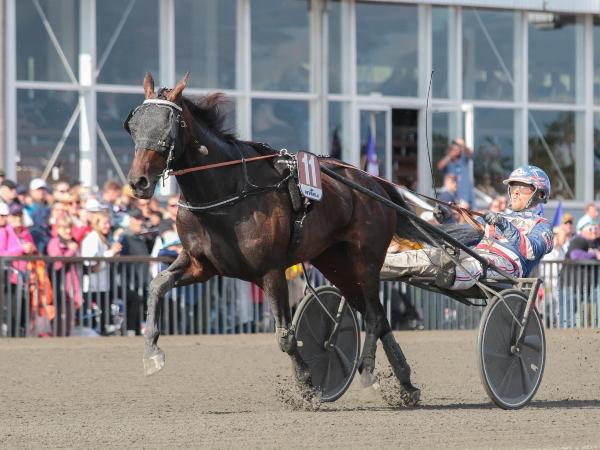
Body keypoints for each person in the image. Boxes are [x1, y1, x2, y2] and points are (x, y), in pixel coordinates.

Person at [382, 165, 554, 291]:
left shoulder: (542, 225)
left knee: (475, 263)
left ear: (539, 193)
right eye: (513, 186)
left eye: (523, 187)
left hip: (506, 267)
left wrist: (503, 224)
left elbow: (530, 251)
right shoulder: (501, 216)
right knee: (423, 256)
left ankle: (451, 274)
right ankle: (372, 267)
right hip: (474, 254)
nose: (515, 192)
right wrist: (447, 218)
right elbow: (466, 236)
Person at [81, 213, 122, 335]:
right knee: (93, 313)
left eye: (108, 223)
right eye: (104, 223)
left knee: (105, 310)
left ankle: (104, 330)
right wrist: (111, 252)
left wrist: (114, 253)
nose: (107, 226)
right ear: (96, 224)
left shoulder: (103, 239)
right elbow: (92, 265)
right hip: (93, 286)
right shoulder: (92, 239)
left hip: (103, 285)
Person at [437, 138, 474, 209]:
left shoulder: (463, 158)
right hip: (454, 197)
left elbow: (471, 155)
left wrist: (463, 145)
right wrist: (450, 156)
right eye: (455, 148)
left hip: (466, 194)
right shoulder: (448, 161)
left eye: (458, 148)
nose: (457, 150)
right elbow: (439, 166)